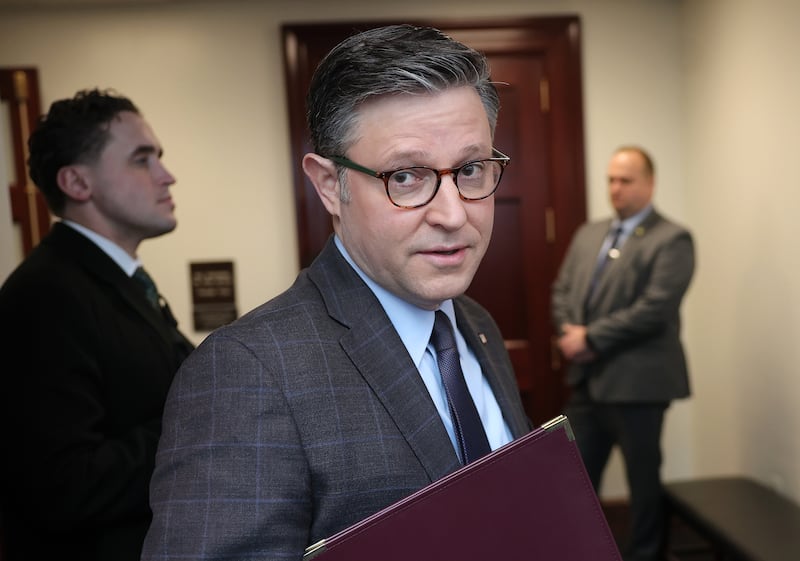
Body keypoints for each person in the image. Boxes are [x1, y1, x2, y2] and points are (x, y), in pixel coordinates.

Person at [142, 24, 531, 561]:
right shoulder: (247, 373)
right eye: (405, 177)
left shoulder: (476, 325)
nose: (453, 214)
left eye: (469, 169)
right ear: (330, 185)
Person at [0, 88, 194, 561]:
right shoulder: (45, 297)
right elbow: (65, 485)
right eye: (141, 159)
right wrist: (199, 423)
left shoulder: (120, 282)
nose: (167, 176)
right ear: (77, 183)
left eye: (159, 158)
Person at [551, 145, 695, 561]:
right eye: (611, 179)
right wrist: (568, 334)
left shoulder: (673, 239)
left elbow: (655, 309)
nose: (615, 188)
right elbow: (561, 290)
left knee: (643, 484)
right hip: (586, 385)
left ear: (649, 184)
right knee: (574, 481)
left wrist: (590, 338)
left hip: (638, 386)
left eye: (626, 180)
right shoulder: (589, 233)